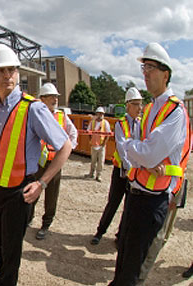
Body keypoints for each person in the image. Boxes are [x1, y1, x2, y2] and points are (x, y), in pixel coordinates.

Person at [0, 44, 72, 286]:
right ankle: (1, 276)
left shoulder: (34, 108)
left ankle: (7, 281)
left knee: (11, 244)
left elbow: (65, 146)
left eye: (12, 70)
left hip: (19, 190)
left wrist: (42, 182)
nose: (8, 75)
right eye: (1, 71)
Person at [110, 42, 191, 286]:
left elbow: (148, 154)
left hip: (153, 199)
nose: (145, 73)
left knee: (133, 268)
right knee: (123, 256)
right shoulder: (152, 108)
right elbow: (139, 151)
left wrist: (133, 150)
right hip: (136, 192)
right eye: (144, 67)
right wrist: (139, 153)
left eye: (151, 68)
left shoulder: (174, 111)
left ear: (165, 74)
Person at [91, 88, 143, 245]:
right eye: (136, 104)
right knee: (113, 202)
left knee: (129, 206)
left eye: (141, 104)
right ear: (127, 106)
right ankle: (100, 232)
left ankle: (120, 236)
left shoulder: (141, 124)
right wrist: (128, 167)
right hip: (122, 170)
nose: (139, 108)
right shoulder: (121, 124)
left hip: (135, 172)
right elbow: (121, 146)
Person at [31, 83, 78, 240]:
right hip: (37, 161)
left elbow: (73, 134)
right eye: (52, 96)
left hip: (53, 163)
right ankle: (28, 218)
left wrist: (66, 153)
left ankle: (46, 224)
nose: (55, 99)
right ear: (42, 99)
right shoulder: (35, 115)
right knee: (31, 192)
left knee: (51, 196)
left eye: (56, 97)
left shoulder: (62, 116)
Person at [85, 106, 111, 182]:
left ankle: (98, 175)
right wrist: (90, 141)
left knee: (101, 161)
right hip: (94, 144)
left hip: (101, 145)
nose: (100, 115)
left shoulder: (105, 123)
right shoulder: (92, 122)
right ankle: (91, 173)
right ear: (96, 114)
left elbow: (108, 134)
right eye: (99, 113)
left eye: (101, 114)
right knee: (93, 160)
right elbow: (89, 132)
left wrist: (104, 144)